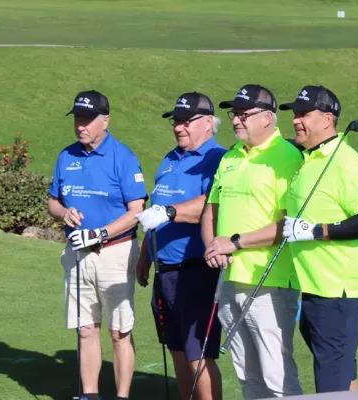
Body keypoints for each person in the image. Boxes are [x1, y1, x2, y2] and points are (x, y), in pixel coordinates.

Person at [201, 84, 305, 399]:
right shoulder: (230, 157)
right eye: (234, 114)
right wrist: (212, 247)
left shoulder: (287, 157)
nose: (236, 120)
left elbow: (289, 224)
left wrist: (234, 242)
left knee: (277, 377)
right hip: (229, 278)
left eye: (244, 114)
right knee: (247, 375)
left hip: (269, 282)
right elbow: (211, 210)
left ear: (267, 118)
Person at [278, 85, 358, 393]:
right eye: (295, 114)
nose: (296, 120)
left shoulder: (345, 161)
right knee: (342, 371)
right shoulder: (308, 158)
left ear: (327, 119)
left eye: (303, 114)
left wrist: (315, 230)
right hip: (315, 286)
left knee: (330, 380)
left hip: (337, 288)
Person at [47, 89, 147, 400]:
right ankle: (90, 395)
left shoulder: (123, 157)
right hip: (77, 253)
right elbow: (53, 201)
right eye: (78, 119)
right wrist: (64, 212)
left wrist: (101, 233)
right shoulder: (66, 156)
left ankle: (122, 396)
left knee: (119, 331)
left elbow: (137, 210)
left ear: (106, 121)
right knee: (86, 328)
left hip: (114, 253)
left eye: (88, 120)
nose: (81, 126)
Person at [134, 92, 228, 400]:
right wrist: (145, 256)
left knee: (198, 355)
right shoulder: (170, 159)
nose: (178, 127)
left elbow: (210, 205)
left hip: (197, 271)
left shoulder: (218, 159)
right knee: (176, 349)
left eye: (187, 121)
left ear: (208, 123)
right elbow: (156, 209)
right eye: (176, 121)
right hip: (165, 272)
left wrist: (170, 212)